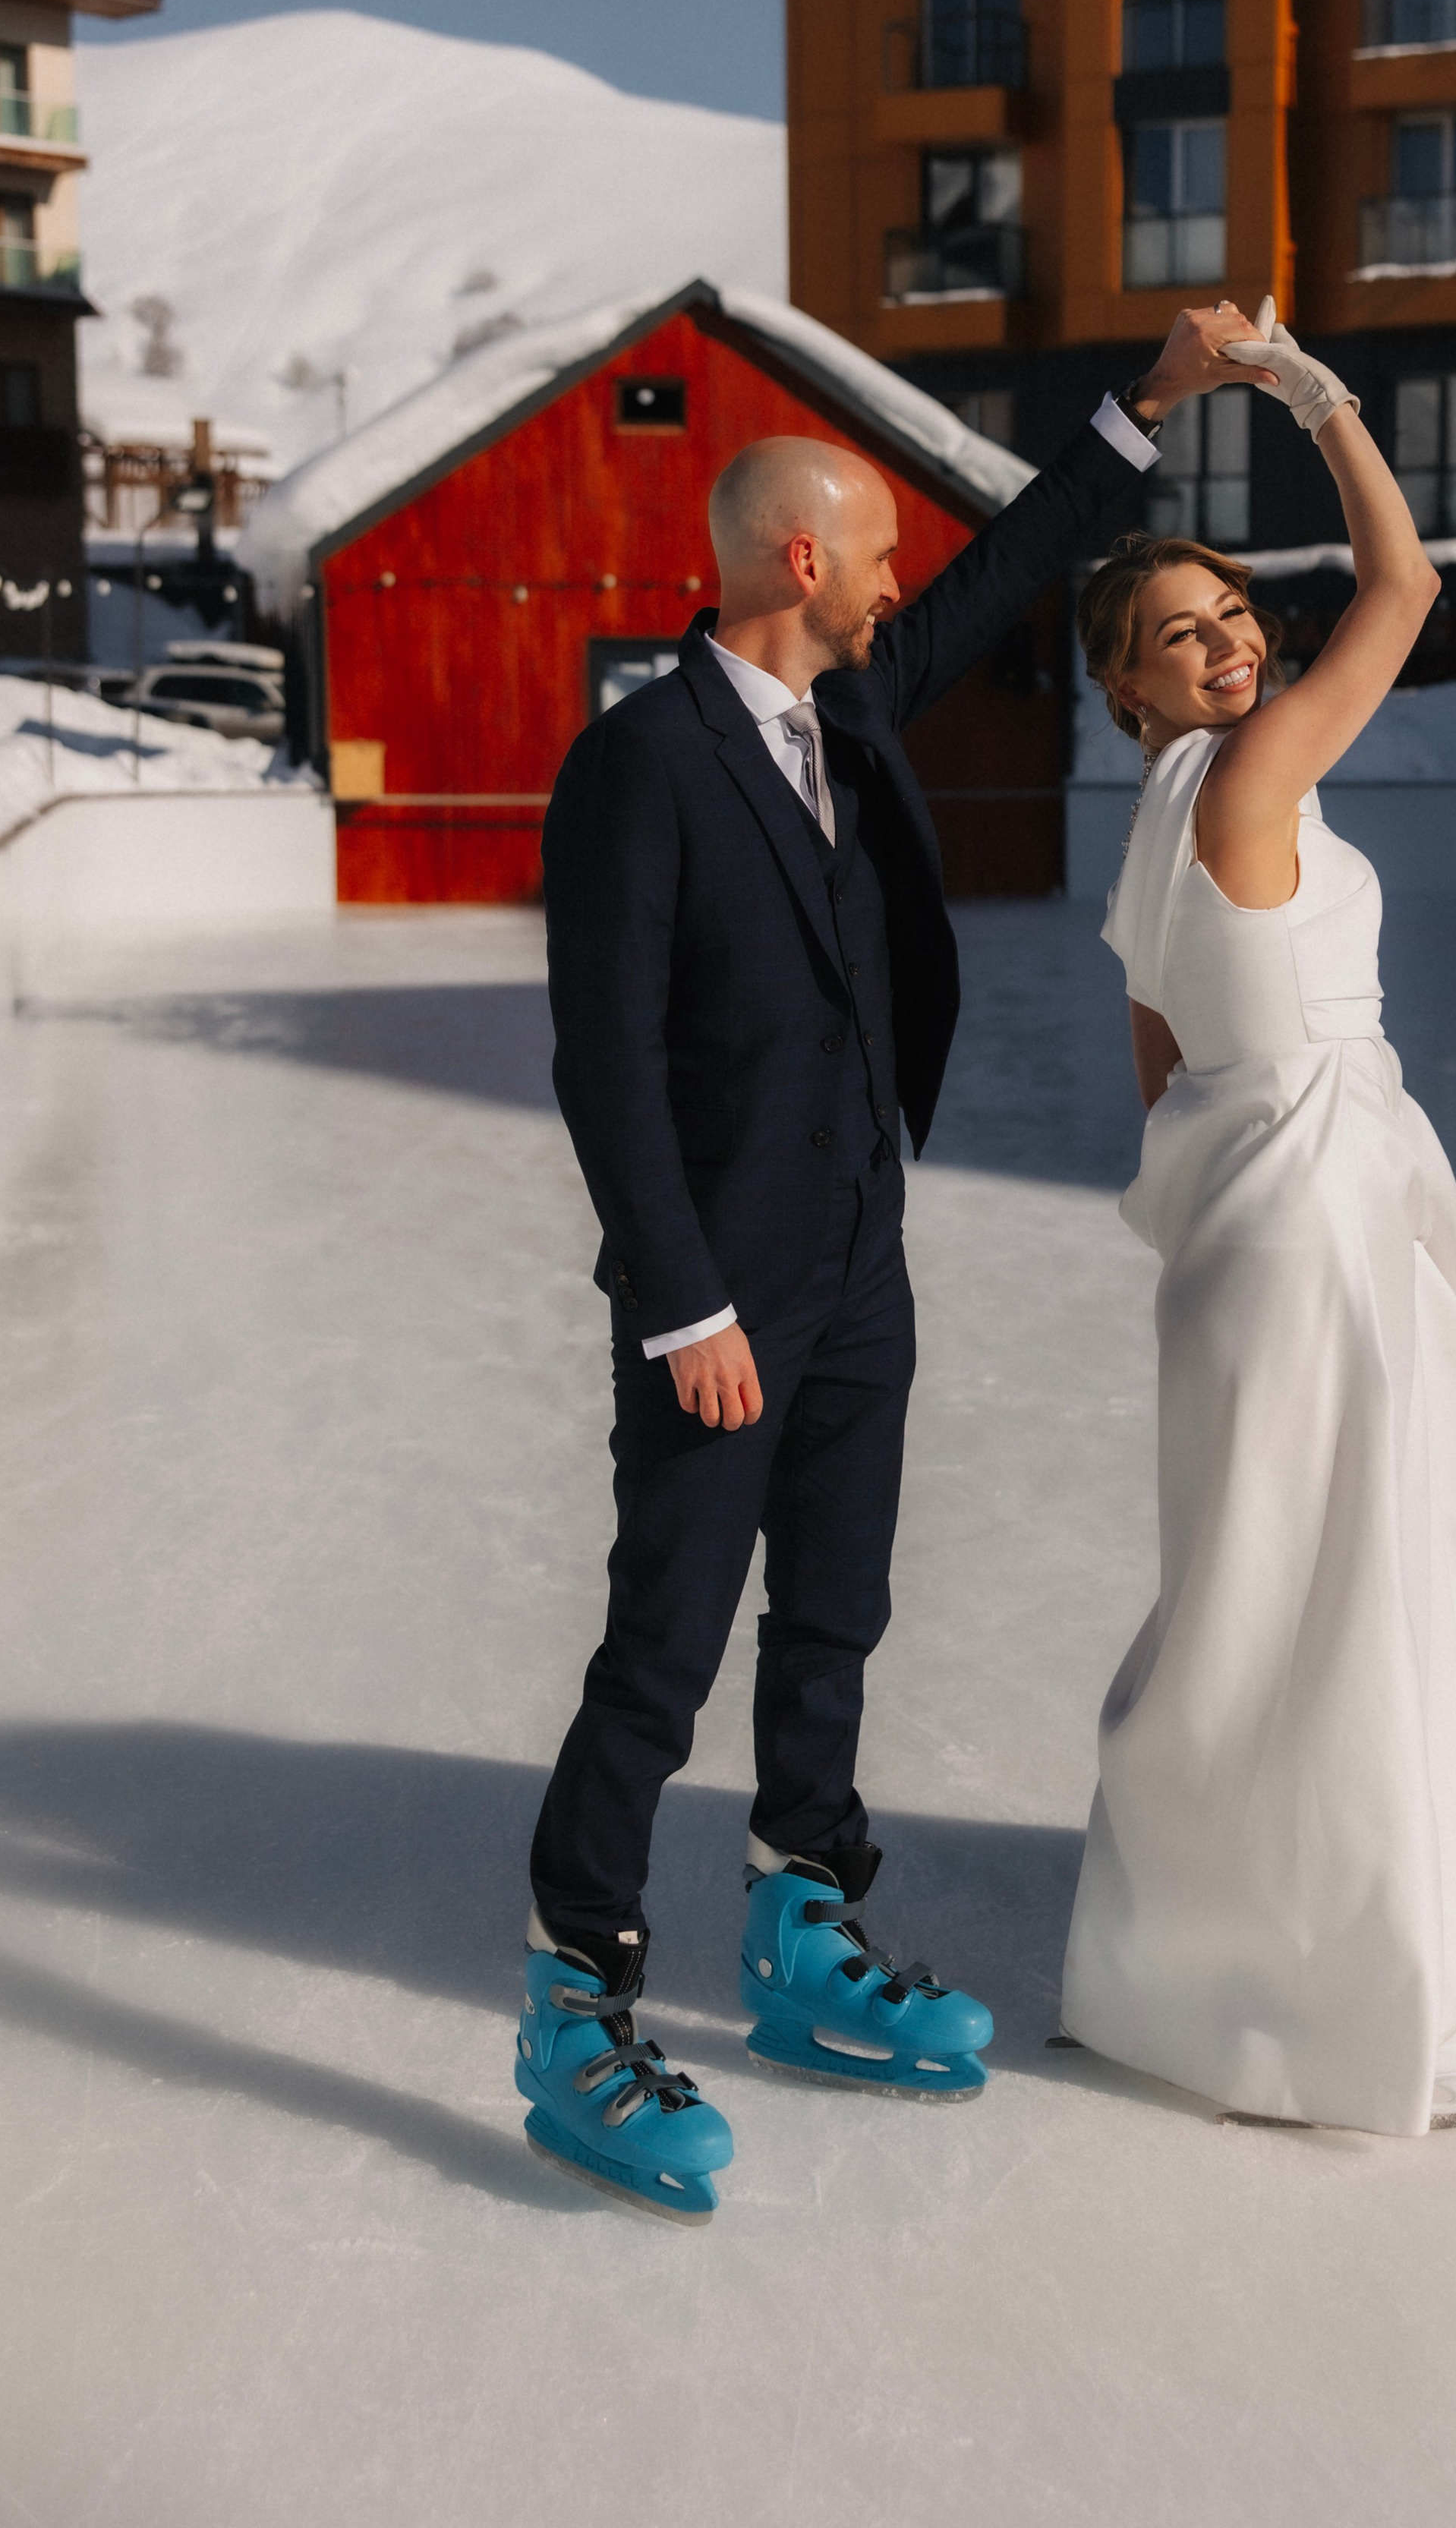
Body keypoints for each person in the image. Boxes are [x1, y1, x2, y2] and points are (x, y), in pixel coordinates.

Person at [516, 304, 1255, 2218]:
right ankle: (572, 1998)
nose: (896, 578)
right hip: (718, 1297)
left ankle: (798, 1930)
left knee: (833, 1620)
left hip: (859, 1268)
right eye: (871, 553)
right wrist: (682, 1304)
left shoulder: (843, 708)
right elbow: (599, 1062)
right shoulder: (640, 765)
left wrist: (1143, 407)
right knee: (660, 1656)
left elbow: (1010, 564)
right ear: (795, 560)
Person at [1059, 304, 1456, 2136]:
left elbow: (1158, 1076)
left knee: (1255, 1608)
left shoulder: (1145, 831)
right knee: (1348, 1600)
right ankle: (1355, 2004)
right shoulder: (1244, 776)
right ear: (1124, 688)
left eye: (1231, 619)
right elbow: (1400, 585)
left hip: (1258, 1231)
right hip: (1310, 1229)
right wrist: (1302, 388)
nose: (1223, 645)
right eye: (1175, 637)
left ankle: (1185, 1965)